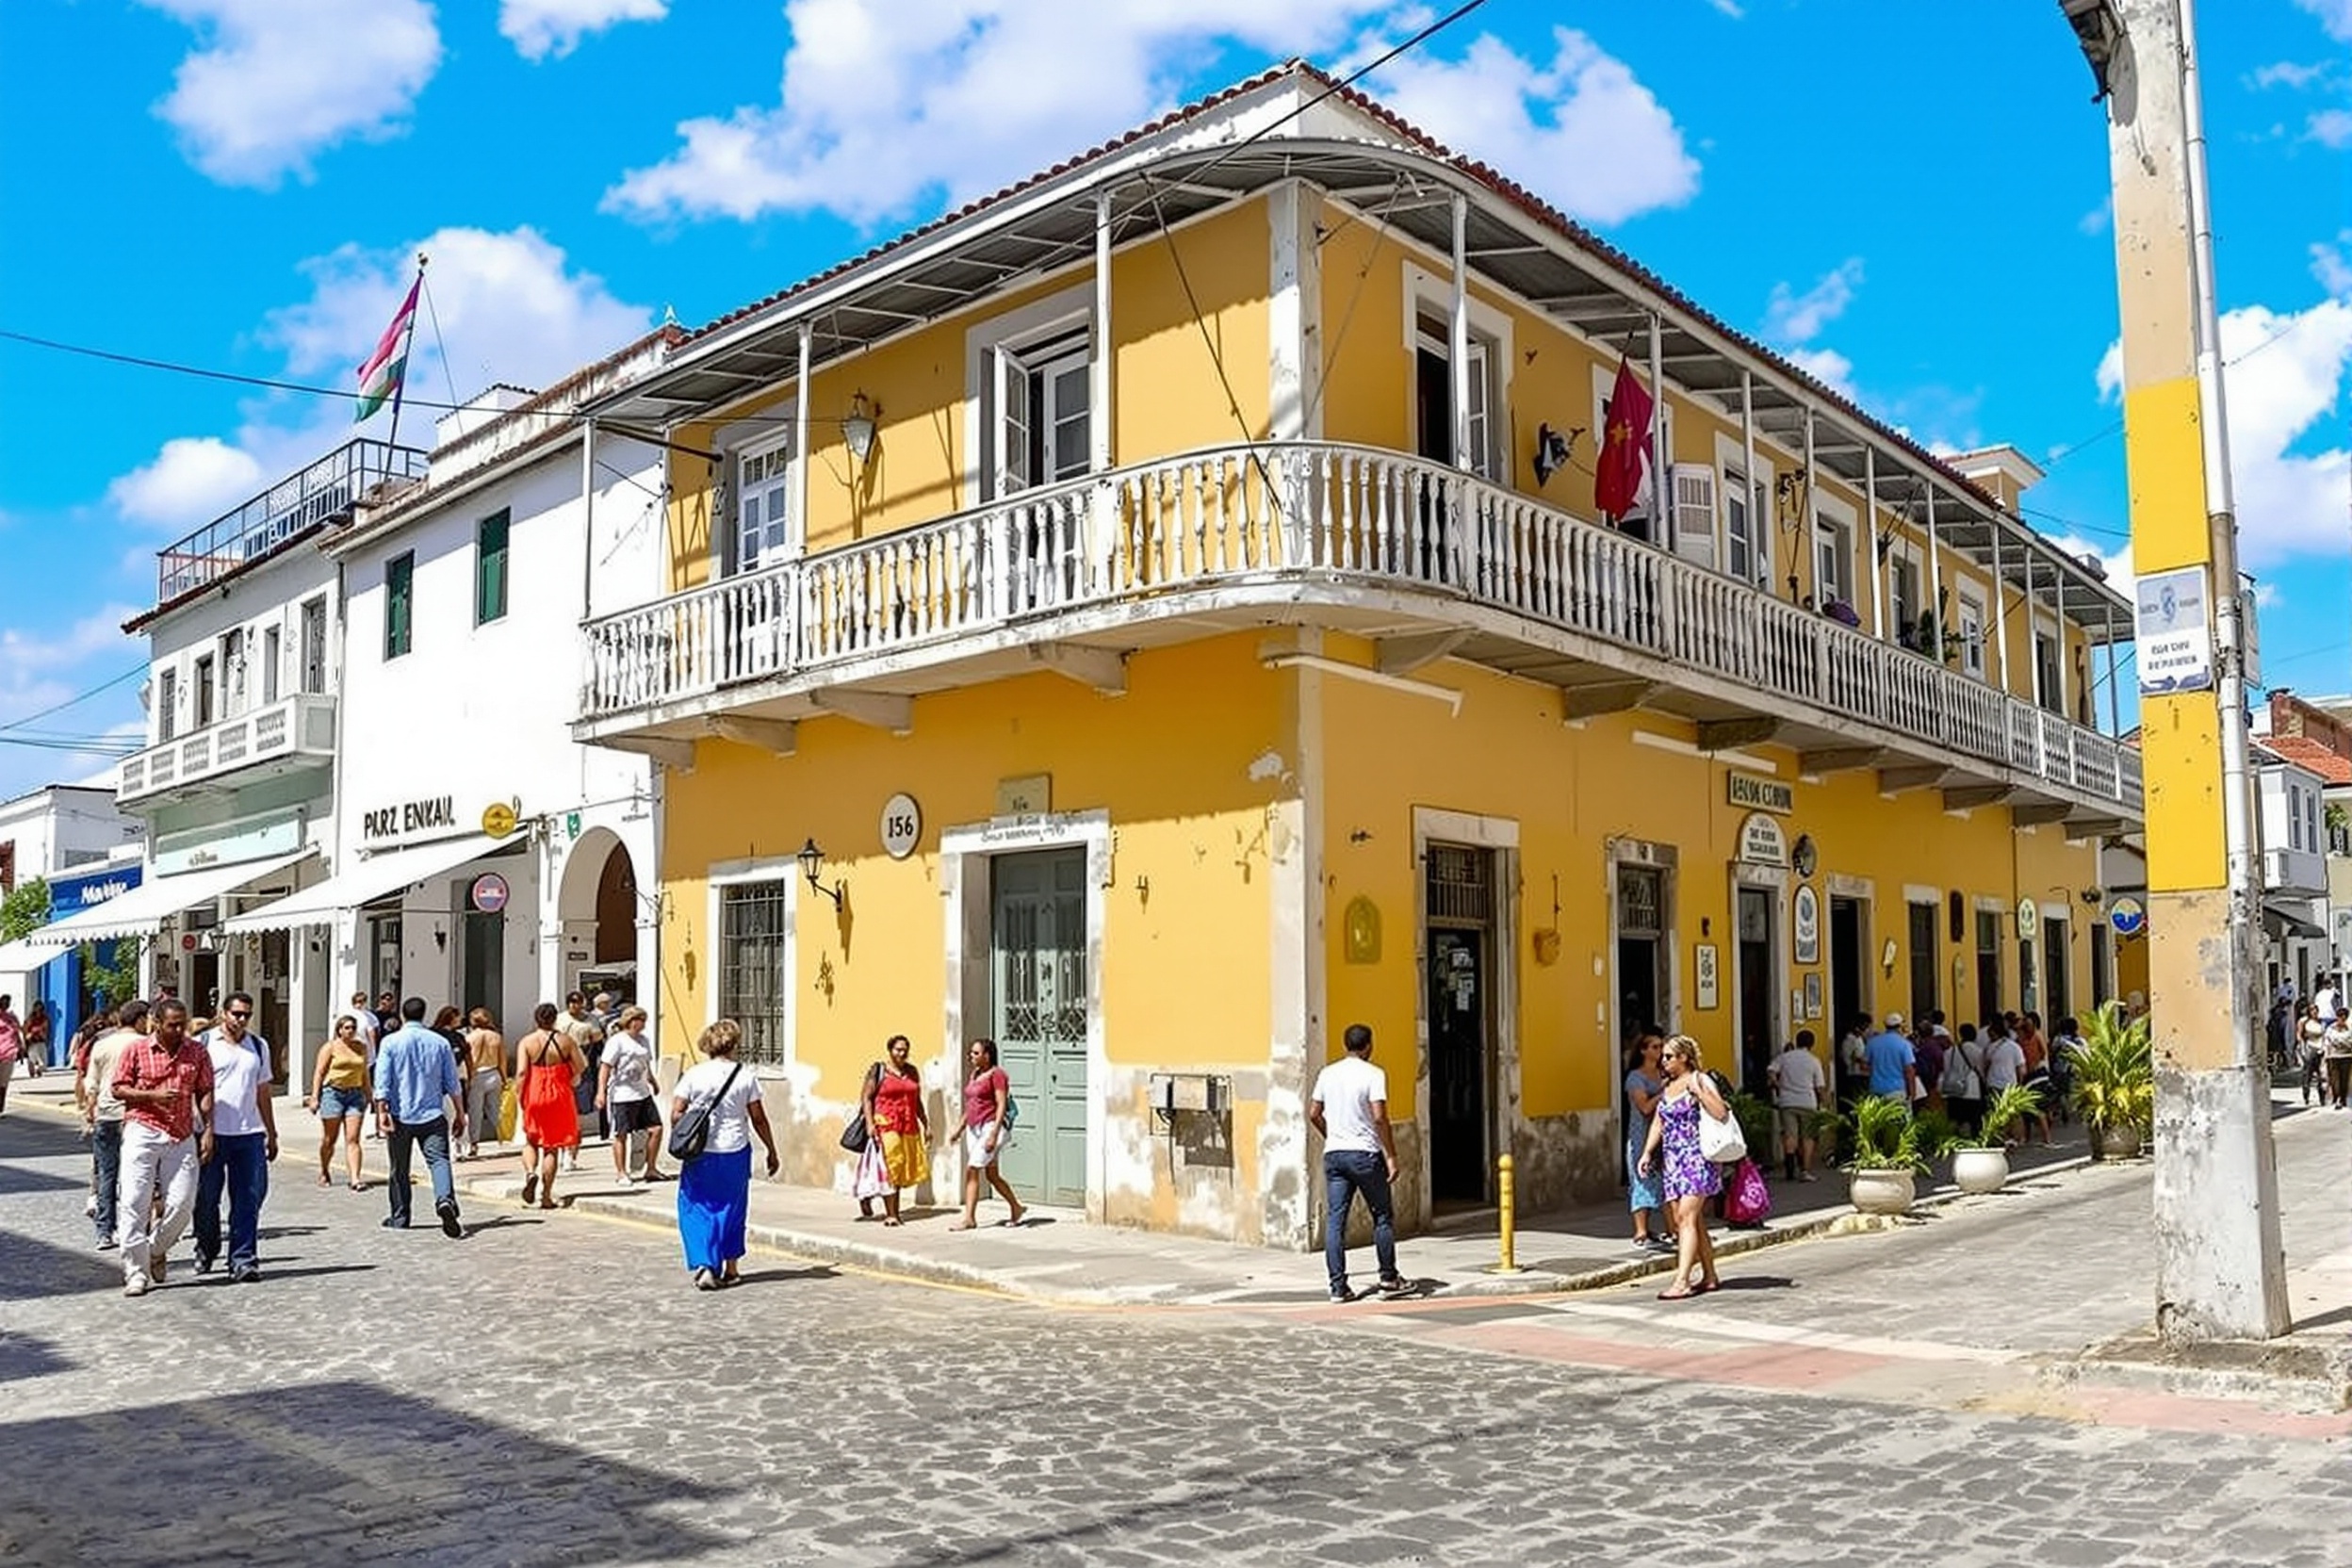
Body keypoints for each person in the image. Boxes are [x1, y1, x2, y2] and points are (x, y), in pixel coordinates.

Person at [110, 997, 215, 1296]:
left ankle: (155, 1249)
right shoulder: (136, 1049)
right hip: (142, 1129)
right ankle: (136, 1271)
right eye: (173, 1025)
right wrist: (150, 1096)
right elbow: (118, 1087)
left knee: (183, 1203)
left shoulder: (196, 1051)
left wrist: (209, 1129)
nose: (179, 1030)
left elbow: (205, 1089)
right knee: (133, 1201)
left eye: (182, 1024)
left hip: (181, 1134)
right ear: (156, 1023)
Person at [670, 1019, 778, 1289]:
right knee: (733, 1207)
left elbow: (676, 1113)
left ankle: (706, 1263)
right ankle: (731, 1268)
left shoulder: (694, 1074)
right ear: (734, 1044)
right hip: (735, 1149)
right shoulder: (745, 1076)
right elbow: (758, 1118)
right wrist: (771, 1150)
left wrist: (688, 1132)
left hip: (701, 1152)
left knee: (695, 1204)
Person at [1308, 1022, 1405, 1301]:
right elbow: (1379, 1117)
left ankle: (1338, 1287)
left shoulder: (1327, 1073)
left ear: (1345, 1045)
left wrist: (1332, 1135)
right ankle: (1388, 1278)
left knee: (1336, 1221)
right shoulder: (1374, 1074)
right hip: (1365, 1154)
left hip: (1335, 1154)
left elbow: (1314, 1113)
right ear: (1368, 1046)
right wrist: (1391, 1155)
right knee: (1382, 1216)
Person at [192, 991, 277, 1282]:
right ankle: (207, 1246)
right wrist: (203, 1129)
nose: (241, 1020)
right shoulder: (203, 1044)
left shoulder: (258, 1046)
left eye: (246, 1015)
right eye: (236, 1014)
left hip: (248, 1134)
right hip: (211, 1133)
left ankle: (243, 1259)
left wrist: (271, 1131)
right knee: (205, 1199)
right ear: (223, 1013)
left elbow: (262, 1089)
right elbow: (194, 1090)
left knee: (247, 1199)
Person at [1637, 1035, 1728, 1301]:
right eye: (1663, 1056)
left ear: (1683, 1058)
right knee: (1691, 1221)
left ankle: (1682, 1281)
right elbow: (1658, 1123)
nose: (1663, 1061)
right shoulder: (1669, 1086)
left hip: (1697, 1158)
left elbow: (1721, 1112)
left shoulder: (1699, 1080)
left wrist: (1700, 1094)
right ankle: (1710, 1276)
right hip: (1673, 1160)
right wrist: (1647, 1152)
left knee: (1685, 1219)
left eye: (1668, 1056)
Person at [372, 997, 466, 1237]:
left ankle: (400, 1216)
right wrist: (460, 1113)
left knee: (399, 1168)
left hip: (400, 1115)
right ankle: (445, 1201)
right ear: (424, 1014)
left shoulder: (390, 1043)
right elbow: (452, 1082)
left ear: (403, 1014)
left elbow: (382, 1080)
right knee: (439, 1161)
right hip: (432, 1114)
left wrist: (381, 1111)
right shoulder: (440, 1042)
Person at [75, 998, 146, 1250]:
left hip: (106, 1114)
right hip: (134, 1117)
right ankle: (132, 1228)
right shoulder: (143, 1044)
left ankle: (105, 1231)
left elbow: (90, 1082)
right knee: (135, 1176)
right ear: (139, 1019)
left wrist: (89, 1109)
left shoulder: (102, 1044)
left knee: (107, 1174)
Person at [947, 1037, 1027, 1233]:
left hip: (990, 1127)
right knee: (992, 1175)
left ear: (987, 1055)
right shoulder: (975, 1074)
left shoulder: (997, 1075)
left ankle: (969, 1219)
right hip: (973, 1129)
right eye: (971, 1053)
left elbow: (1000, 1104)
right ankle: (1016, 1207)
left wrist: (994, 1133)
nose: (971, 1056)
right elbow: (971, 1104)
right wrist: (959, 1128)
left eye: (976, 1053)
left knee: (972, 1168)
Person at [515, 1002, 585, 1209]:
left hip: (535, 1091)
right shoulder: (566, 1041)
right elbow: (580, 1066)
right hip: (560, 1093)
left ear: (536, 1019)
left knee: (531, 1139)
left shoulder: (527, 1042)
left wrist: (521, 1095)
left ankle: (529, 1173)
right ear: (555, 1018)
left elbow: (521, 1072)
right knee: (552, 1147)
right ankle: (545, 1196)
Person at [864, 1034, 930, 1225]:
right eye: (898, 1049)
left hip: (908, 1125)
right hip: (886, 1123)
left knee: (900, 1168)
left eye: (905, 1050)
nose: (902, 1053)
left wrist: (925, 1123)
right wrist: (870, 1123)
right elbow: (867, 1097)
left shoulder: (912, 1072)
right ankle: (892, 1214)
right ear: (890, 1050)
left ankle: (871, 1198)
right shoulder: (879, 1071)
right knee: (892, 1165)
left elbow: (916, 1100)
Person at [598, 1004, 665, 1184]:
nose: (643, 1024)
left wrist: (652, 1081)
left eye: (644, 1020)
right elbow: (605, 1067)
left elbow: (646, 1064)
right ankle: (621, 1172)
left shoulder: (644, 1040)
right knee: (621, 1134)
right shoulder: (617, 1041)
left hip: (642, 1092)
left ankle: (650, 1168)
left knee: (656, 1129)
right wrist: (601, 1092)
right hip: (622, 1094)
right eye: (640, 1020)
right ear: (630, 1021)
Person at [304, 1014, 370, 1189]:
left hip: (355, 1095)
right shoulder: (330, 1047)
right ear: (339, 1030)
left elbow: (364, 1073)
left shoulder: (361, 1047)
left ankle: (355, 1179)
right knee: (329, 1139)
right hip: (333, 1093)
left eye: (353, 1028)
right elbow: (319, 1073)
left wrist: (369, 1095)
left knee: (353, 1138)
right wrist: (315, 1097)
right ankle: (325, 1170)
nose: (350, 1031)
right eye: (346, 1028)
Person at [1623, 1032, 1671, 1252]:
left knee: (1665, 1181)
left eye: (1661, 1046)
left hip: (1665, 1135)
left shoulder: (1664, 1073)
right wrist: (1664, 1091)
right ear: (1643, 1050)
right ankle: (1641, 1231)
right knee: (1642, 1181)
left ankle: (1673, 1229)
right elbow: (1644, 1107)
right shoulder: (1635, 1077)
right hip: (1642, 1135)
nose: (1659, 1051)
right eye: (1654, 1047)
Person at [1768, 1030, 1826, 1182]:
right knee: (1808, 1137)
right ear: (1812, 1044)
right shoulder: (1814, 1060)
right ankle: (1805, 1171)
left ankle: (1789, 1169)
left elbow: (1771, 1069)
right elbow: (1819, 1087)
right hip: (1808, 1102)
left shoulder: (1785, 1058)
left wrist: (1777, 1084)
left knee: (1790, 1135)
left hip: (1787, 1101)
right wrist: (1824, 1103)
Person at [559, 991, 608, 1168]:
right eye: (572, 1002)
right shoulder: (560, 1019)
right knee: (562, 1112)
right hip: (562, 1067)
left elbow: (597, 1041)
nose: (575, 1005)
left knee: (577, 1113)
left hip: (583, 1067)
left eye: (578, 1002)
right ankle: (562, 1150)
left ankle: (571, 1154)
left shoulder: (590, 1020)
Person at [461, 1008, 506, 1159]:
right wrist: (504, 1078)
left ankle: (474, 1143)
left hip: (477, 1075)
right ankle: (504, 1136)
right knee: (496, 1109)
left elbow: (468, 1062)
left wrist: (468, 1080)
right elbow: (502, 1061)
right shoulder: (496, 1037)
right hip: (494, 1073)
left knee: (475, 1112)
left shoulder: (469, 1038)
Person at [1980, 1020, 2027, 1144]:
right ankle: (2019, 1138)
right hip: (2010, 1084)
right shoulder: (2015, 1047)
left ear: (1995, 1033)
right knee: (2014, 1113)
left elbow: (1985, 1066)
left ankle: (2002, 1137)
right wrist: (2020, 1084)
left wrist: (1985, 1081)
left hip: (1993, 1084)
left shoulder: (1990, 1048)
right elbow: (2021, 1068)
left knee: (1996, 1112)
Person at [2017, 1012, 2056, 1147]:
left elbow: (2043, 1053)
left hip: (2035, 1075)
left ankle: (2047, 1138)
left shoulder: (2033, 1037)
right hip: (2034, 1074)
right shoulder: (2024, 1040)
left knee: (2037, 1108)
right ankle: (2032, 1137)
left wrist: (2034, 1065)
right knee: (2030, 1108)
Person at [1863, 1012, 1919, 1105]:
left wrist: (1877, 1070)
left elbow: (1864, 1066)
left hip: (1876, 1088)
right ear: (1900, 1027)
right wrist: (1912, 1093)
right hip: (1897, 1090)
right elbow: (1909, 1070)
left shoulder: (1872, 1042)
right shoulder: (1904, 1044)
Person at [1941, 1021, 1985, 1137]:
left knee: (1955, 1119)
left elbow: (1946, 1070)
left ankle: (1954, 1140)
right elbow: (1981, 1070)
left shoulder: (1949, 1051)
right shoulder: (1978, 1051)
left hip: (1954, 1089)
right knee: (1974, 1119)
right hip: (1972, 1090)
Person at [2324, 1009, 2352, 1111]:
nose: (2341, 1018)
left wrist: (2341, 1042)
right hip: (2333, 1056)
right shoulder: (2331, 1028)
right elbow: (2327, 1041)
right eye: (2340, 1016)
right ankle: (2337, 1098)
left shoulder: (2349, 1028)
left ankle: (2343, 1098)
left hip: (2347, 1056)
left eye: (2344, 1016)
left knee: (2344, 1079)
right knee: (2335, 1079)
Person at [0, 994, 21, 1115]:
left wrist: (21, 1047)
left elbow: (17, 1032)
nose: (6, 1004)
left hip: (9, 1052)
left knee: (4, 1082)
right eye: (4, 1001)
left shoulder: (12, 1017)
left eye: (8, 1002)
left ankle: (0, 1108)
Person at [23, 1001, 49, 1075]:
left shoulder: (45, 1019)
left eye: (40, 1010)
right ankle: (33, 1067)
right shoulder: (30, 1019)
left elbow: (46, 1031)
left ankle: (38, 1069)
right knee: (33, 1057)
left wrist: (46, 1038)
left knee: (43, 1063)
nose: (39, 1012)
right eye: (37, 1009)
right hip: (32, 1042)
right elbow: (25, 1031)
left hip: (41, 1041)